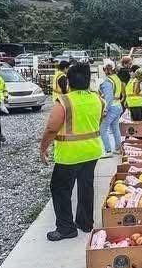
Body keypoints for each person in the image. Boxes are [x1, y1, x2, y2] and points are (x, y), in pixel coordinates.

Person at [39, 62, 104, 241]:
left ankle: (66, 228)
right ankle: (85, 223)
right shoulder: (98, 99)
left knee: (60, 189)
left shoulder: (65, 101)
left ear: (68, 81)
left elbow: (52, 128)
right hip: (92, 151)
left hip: (69, 155)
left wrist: (43, 147)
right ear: (88, 80)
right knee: (86, 186)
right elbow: (98, 121)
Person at [99, 61, 124, 156]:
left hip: (111, 107)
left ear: (106, 69)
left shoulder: (108, 81)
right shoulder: (116, 78)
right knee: (115, 128)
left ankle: (108, 150)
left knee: (102, 129)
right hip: (118, 106)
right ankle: (118, 148)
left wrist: (105, 110)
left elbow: (108, 98)